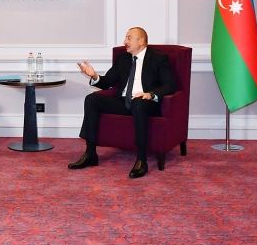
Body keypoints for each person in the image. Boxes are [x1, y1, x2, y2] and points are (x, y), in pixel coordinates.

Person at [69, 27, 176, 179]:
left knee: (138, 103)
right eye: (125, 38)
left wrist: (151, 94)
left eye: (129, 38)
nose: (125, 41)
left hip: (146, 103)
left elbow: (170, 84)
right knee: (92, 99)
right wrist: (94, 76)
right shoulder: (123, 58)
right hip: (124, 102)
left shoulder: (158, 58)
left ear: (141, 41)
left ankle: (141, 160)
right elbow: (108, 82)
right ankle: (90, 154)